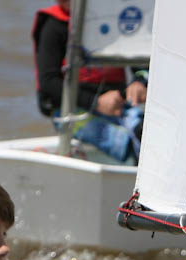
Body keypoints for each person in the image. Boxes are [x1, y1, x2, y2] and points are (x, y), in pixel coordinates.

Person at [33, 0, 146, 162]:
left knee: (143, 127)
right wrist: (96, 102)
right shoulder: (54, 25)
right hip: (72, 111)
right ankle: (131, 152)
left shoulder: (116, 16)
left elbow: (141, 67)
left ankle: (143, 142)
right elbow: (48, 82)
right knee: (114, 138)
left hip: (119, 105)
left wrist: (139, 82)